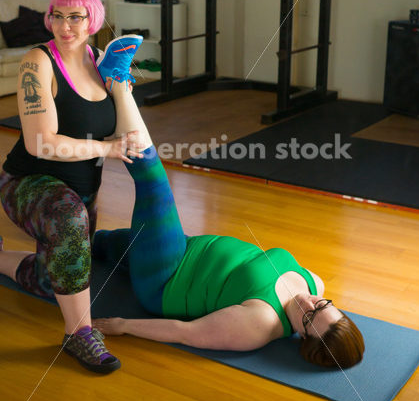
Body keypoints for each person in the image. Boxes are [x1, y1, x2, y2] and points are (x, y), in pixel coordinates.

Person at [87, 86, 365, 369]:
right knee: (95, 244)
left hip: (166, 278)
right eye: (322, 305)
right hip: (185, 246)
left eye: (308, 318)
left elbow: (187, 333)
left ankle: (117, 84)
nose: (309, 303)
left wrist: (123, 325)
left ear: (303, 338)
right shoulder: (315, 283)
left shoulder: (260, 324)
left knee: (152, 180)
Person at [0, 0, 146, 374]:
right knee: (69, 227)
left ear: (94, 19)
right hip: (28, 183)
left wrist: (121, 90)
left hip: (82, 191)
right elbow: (42, 143)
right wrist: (107, 149)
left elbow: (133, 139)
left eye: (75, 16)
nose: (64, 25)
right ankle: (79, 335)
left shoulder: (99, 61)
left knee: (52, 278)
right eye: (57, 15)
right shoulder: (37, 63)